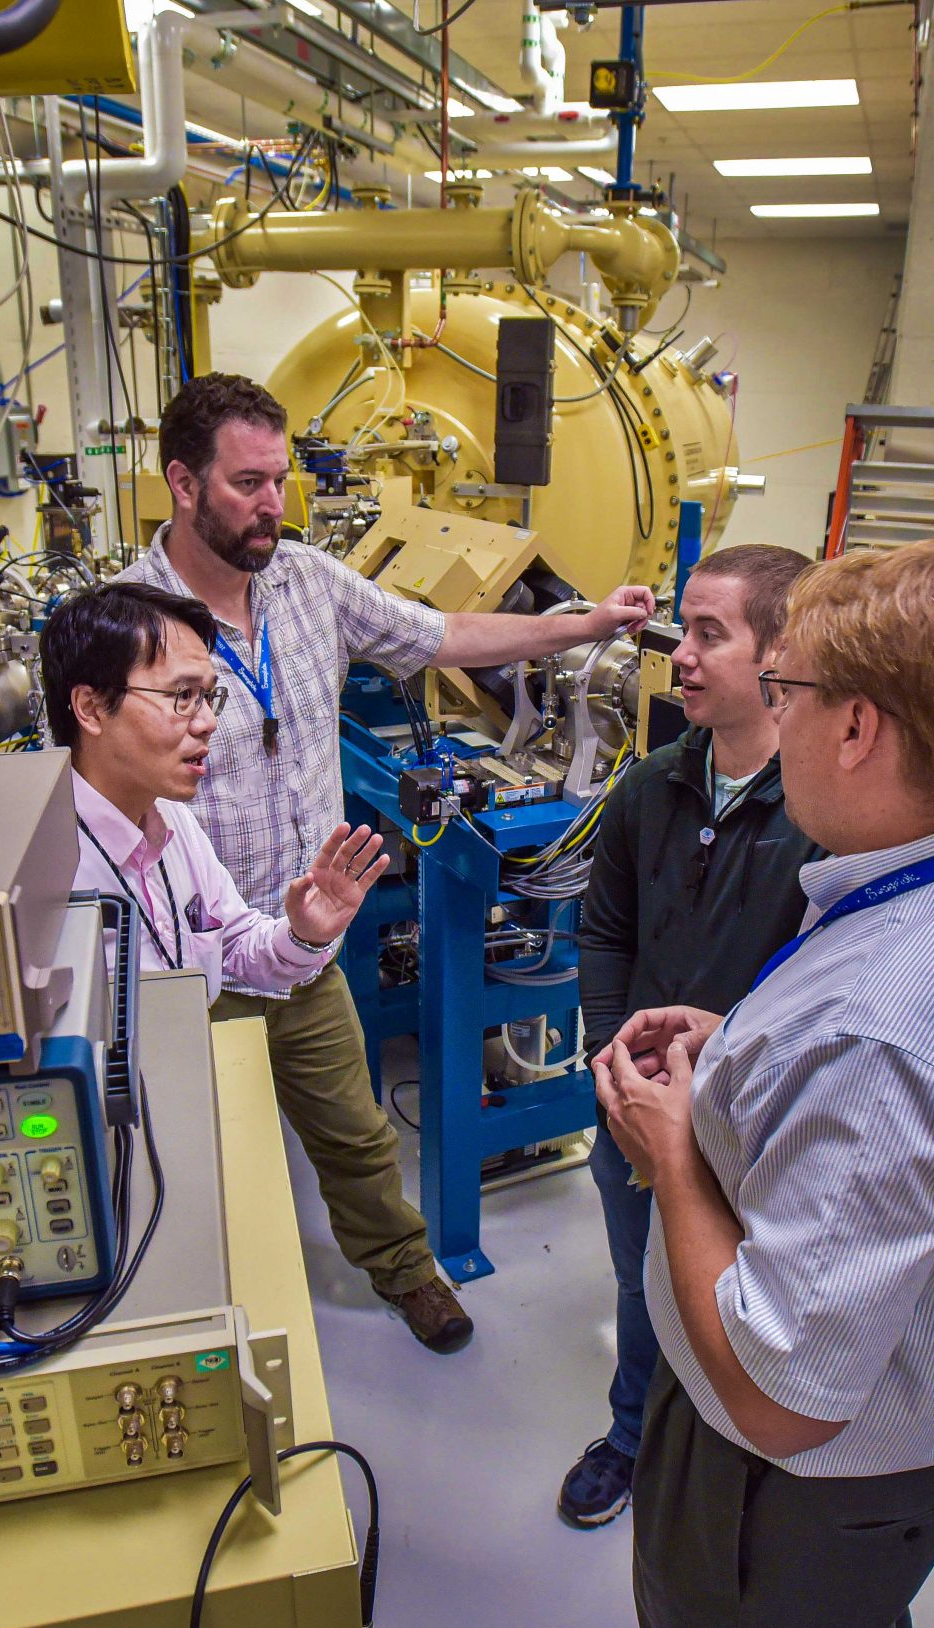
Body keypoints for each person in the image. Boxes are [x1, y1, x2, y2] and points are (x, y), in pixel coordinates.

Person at [590, 540, 934, 1628]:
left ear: (859, 726)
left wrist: (673, 1151)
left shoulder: (888, 1034)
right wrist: (744, 1051)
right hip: (910, 1457)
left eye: (788, 693)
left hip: (778, 1487)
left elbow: (781, 1391)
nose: (776, 715)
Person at [120, 372, 657, 1353]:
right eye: (247, 483)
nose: (271, 505)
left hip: (301, 939)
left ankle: (406, 1268)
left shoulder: (307, 581)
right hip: (184, 953)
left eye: (280, 481)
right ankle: (195, 1312)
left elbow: (441, 633)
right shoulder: (122, 622)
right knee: (186, 1150)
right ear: (182, 486)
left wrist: (579, 624)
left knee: (356, 1134)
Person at [558, 543, 821, 1530]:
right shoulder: (651, 787)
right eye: (682, 628)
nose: (682, 653)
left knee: (744, 1308)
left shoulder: (820, 814)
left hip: (755, 1131)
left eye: (710, 633)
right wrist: (604, 1055)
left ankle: (718, 1467)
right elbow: (604, 931)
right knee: (642, 1283)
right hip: (634, 1109)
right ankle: (634, 1435)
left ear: (780, 653)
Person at [41, 582, 389, 1005]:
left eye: (207, 697)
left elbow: (235, 942)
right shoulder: (40, 865)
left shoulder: (172, 823)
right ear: (91, 709)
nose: (207, 721)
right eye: (183, 695)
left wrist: (304, 935)